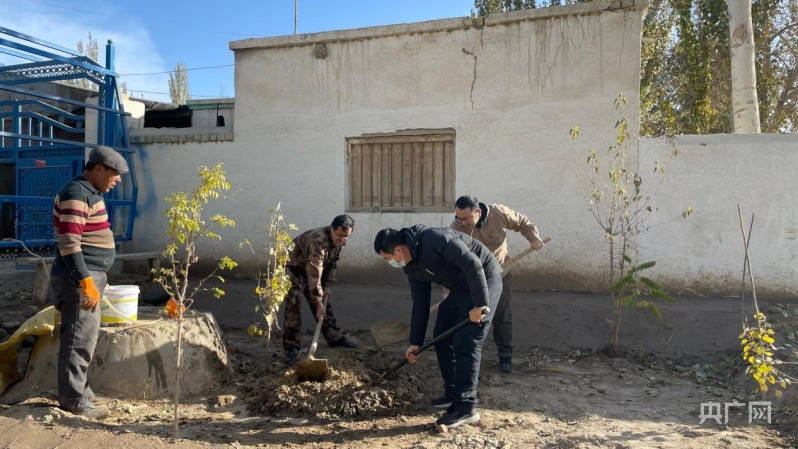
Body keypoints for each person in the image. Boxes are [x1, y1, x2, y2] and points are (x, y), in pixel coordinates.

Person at [374, 225, 502, 429]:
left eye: (387, 258)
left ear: (397, 250)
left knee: (466, 342)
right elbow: (420, 305)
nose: (389, 262)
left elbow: (473, 262)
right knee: (441, 337)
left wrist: (480, 303)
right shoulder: (412, 266)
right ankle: (453, 395)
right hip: (460, 287)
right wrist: (415, 343)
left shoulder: (434, 239)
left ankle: (466, 407)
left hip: (484, 279)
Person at [50, 145, 129, 419]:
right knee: (78, 340)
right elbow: (69, 242)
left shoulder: (90, 193)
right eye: (115, 173)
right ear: (98, 169)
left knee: (85, 338)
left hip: (88, 277)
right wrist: (85, 281)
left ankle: (81, 391)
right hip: (78, 280)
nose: (117, 179)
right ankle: (73, 399)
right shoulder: (76, 194)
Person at [451, 195, 545, 374]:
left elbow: (522, 222)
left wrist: (533, 237)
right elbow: (451, 261)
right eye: (458, 218)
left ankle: (505, 356)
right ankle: (466, 356)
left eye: (466, 218)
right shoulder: (455, 228)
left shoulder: (498, 213)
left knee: (502, 315)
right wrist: (448, 290)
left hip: (501, 274)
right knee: (470, 316)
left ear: (478, 213)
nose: (462, 222)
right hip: (473, 278)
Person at [282, 214, 358, 366]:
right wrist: (317, 302)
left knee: (324, 305)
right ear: (331, 229)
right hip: (292, 268)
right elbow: (314, 271)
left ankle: (334, 337)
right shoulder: (318, 241)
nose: (342, 240)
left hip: (310, 270)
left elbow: (331, 264)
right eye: (339, 235)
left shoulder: (338, 241)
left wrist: (327, 285)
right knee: (293, 309)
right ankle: (291, 348)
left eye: (346, 236)